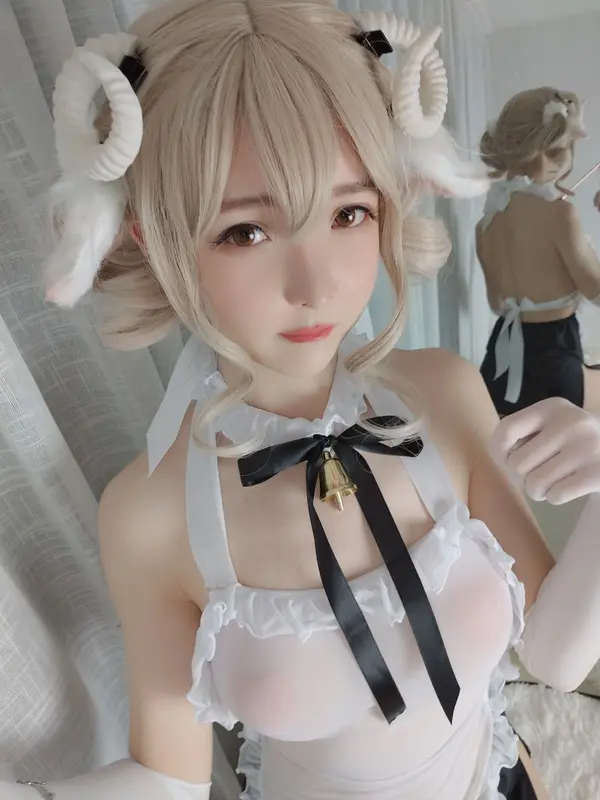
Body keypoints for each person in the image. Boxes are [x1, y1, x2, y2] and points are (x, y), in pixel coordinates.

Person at [4, 2, 600, 799]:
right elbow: (170, 776)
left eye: (349, 212)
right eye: (246, 232)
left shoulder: (447, 391)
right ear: (155, 237)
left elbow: (557, 659)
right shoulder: (149, 512)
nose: (316, 284)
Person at [476, 87, 600, 416]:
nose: (551, 162)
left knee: (505, 441)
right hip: (554, 356)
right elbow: (596, 290)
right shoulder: (560, 214)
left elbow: (496, 302)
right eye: (558, 149)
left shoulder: (486, 223)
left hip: (501, 355)